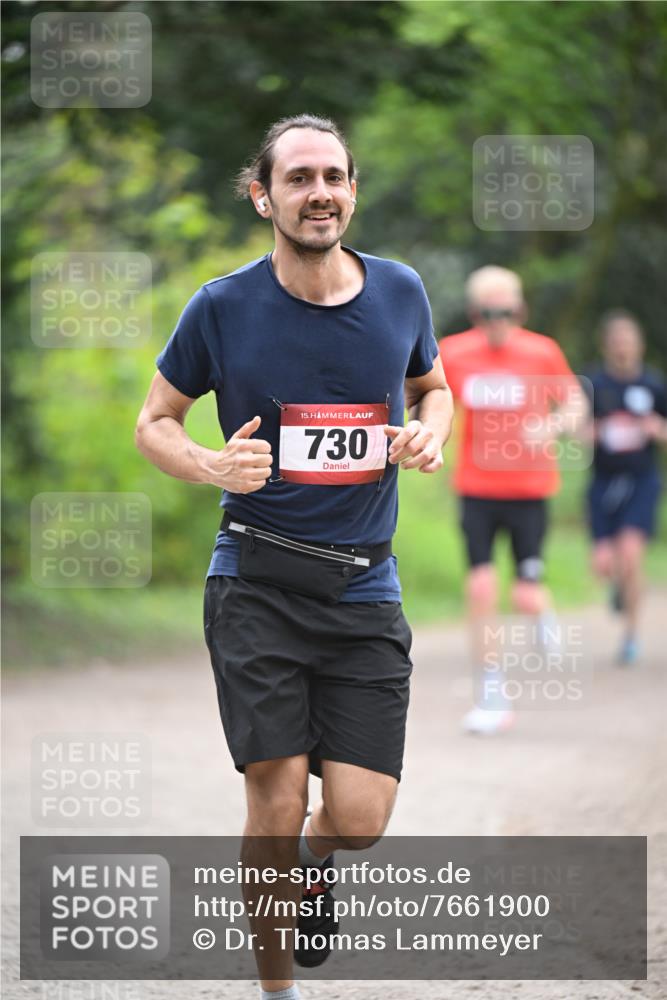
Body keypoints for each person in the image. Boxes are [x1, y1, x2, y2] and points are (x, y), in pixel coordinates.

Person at [135, 114, 453, 999]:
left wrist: (428, 435)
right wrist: (209, 464)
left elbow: (433, 388)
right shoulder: (222, 305)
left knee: (358, 820)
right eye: (300, 178)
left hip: (362, 591)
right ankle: (278, 991)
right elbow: (154, 421)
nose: (319, 192)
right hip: (256, 584)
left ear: (353, 190)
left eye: (335, 177)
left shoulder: (400, 292)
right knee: (273, 800)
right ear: (262, 196)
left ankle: (317, 864)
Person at [439, 266, 587, 735]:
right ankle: (491, 694)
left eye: (505, 311)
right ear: (474, 313)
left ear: (519, 310)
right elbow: (430, 398)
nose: (496, 321)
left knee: (525, 594)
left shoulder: (541, 351)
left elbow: (576, 402)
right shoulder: (455, 353)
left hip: (529, 490)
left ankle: (542, 614)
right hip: (477, 489)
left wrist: (553, 425)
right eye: (487, 313)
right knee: (481, 588)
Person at [585, 309, 666, 665]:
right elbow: (576, 429)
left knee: (631, 554)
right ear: (606, 346)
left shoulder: (654, 386)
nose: (622, 348)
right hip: (603, 483)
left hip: (642, 481)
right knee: (605, 563)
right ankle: (618, 586)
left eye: (628, 341)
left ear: (639, 346)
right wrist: (588, 432)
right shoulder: (593, 384)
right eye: (616, 342)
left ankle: (631, 634)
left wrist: (656, 430)